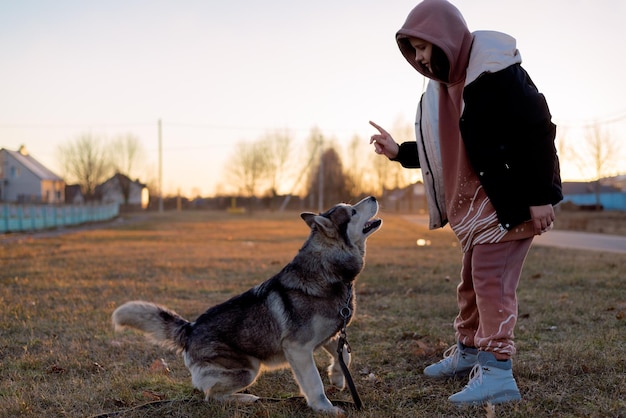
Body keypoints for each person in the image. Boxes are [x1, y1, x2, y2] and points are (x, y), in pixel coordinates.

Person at [369, 0, 562, 406]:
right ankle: (470, 352)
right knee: (472, 283)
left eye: (423, 47)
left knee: (492, 283)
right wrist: (397, 152)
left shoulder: (494, 70)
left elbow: (537, 128)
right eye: (413, 51)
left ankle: (497, 373)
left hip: (508, 202)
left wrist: (542, 196)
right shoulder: (440, 91)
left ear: (446, 38)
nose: (419, 58)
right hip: (475, 211)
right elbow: (441, 150)